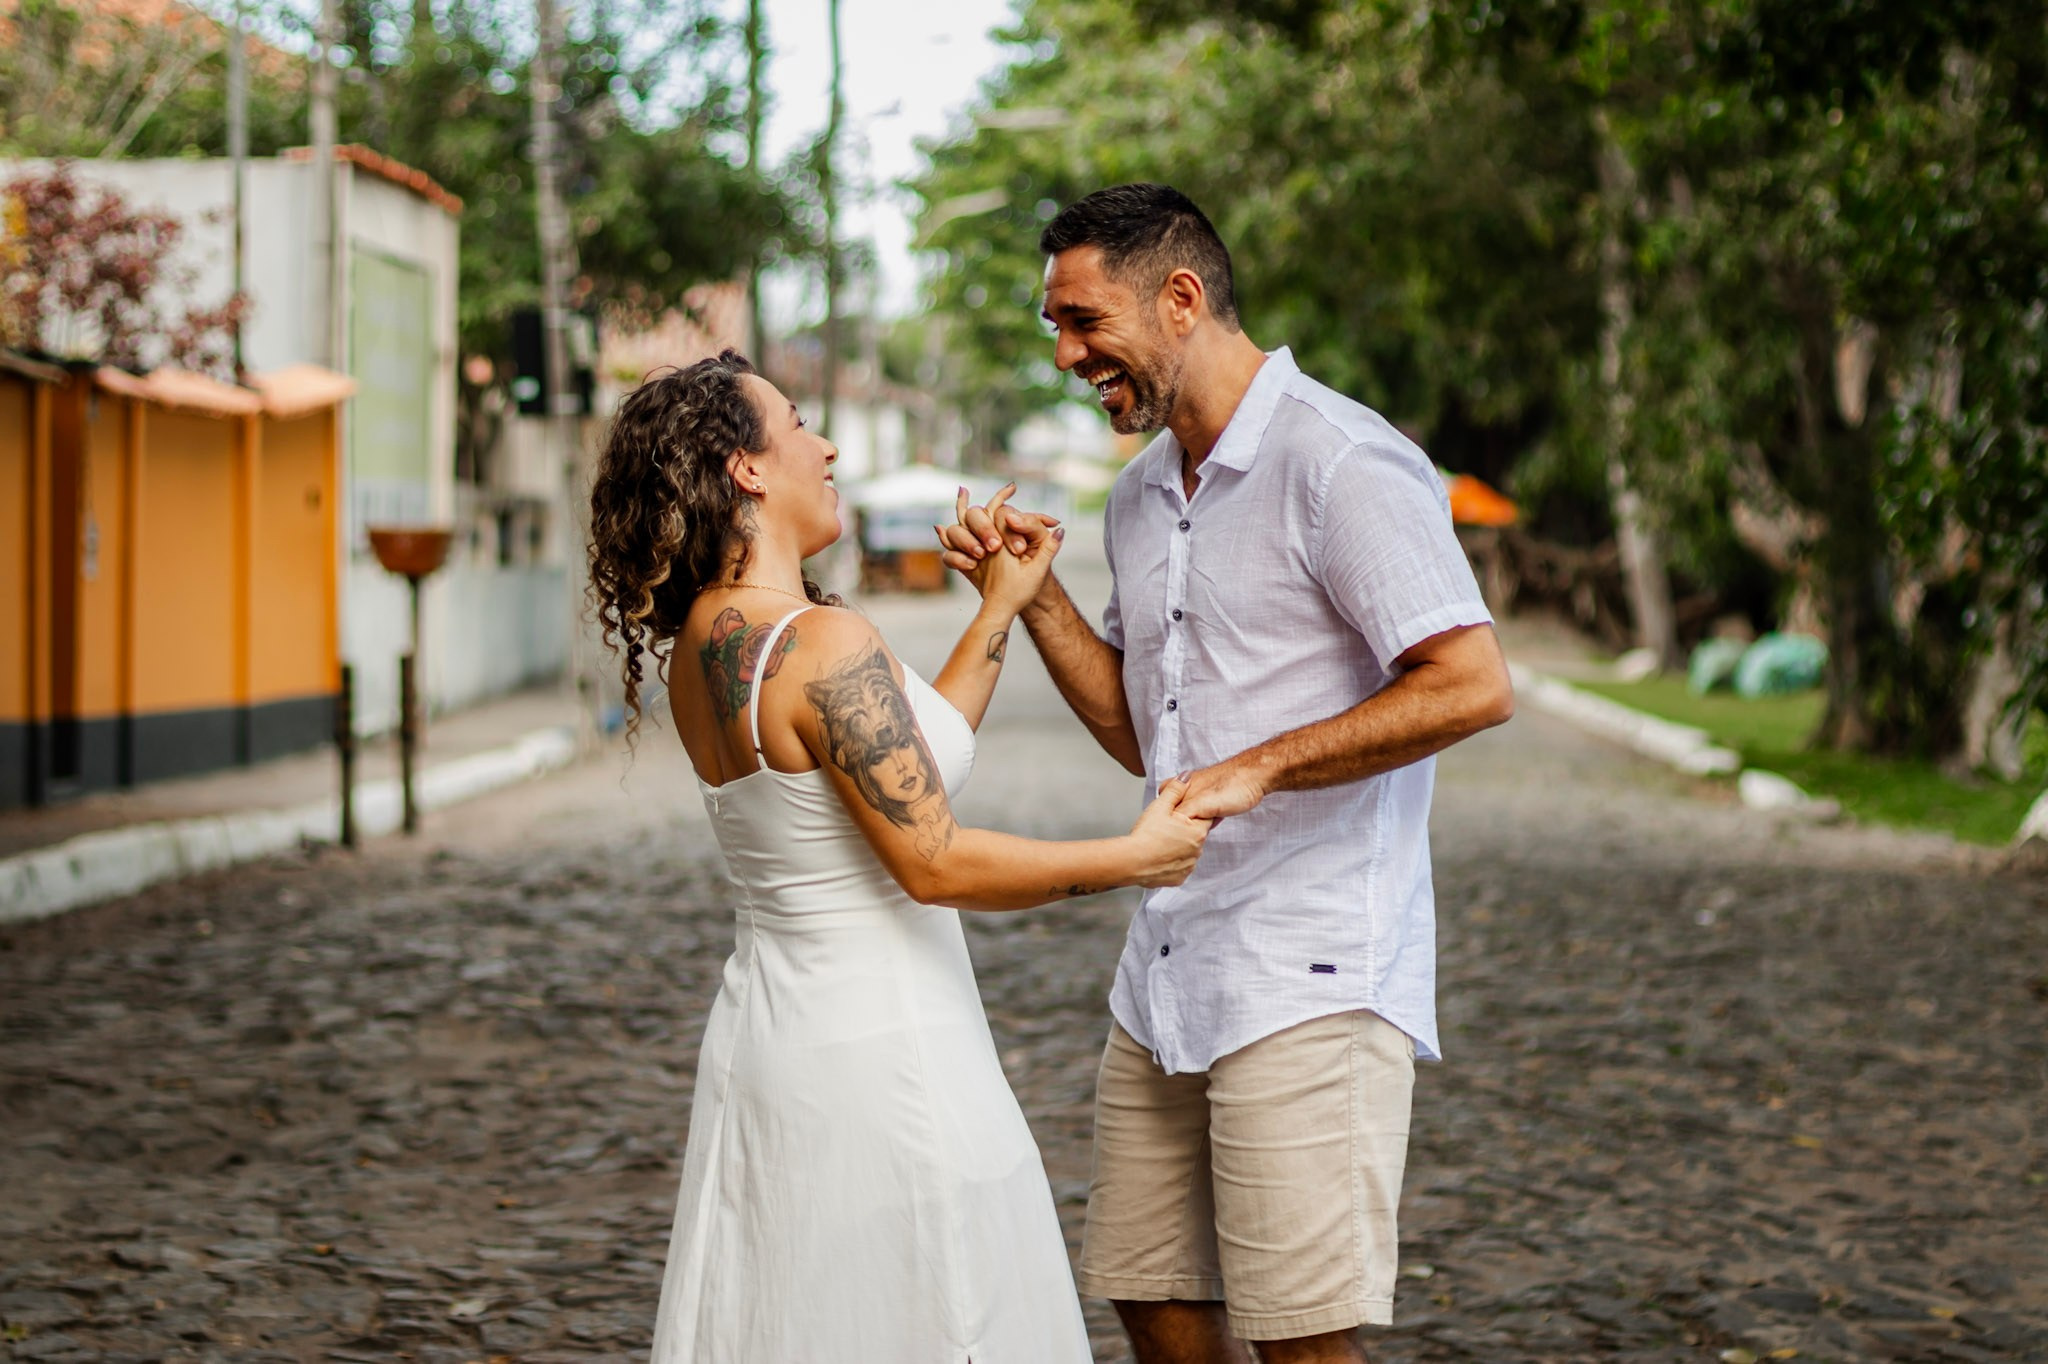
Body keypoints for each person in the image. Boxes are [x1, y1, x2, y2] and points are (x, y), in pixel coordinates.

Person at [938, 183, 1516, 1364]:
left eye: (1082, 320)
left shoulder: (1340, 458)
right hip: (1162, 971)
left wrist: (1260, 764)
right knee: (1153, 1299)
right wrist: (1033, 594)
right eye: (1053, 326)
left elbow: (1469, 680)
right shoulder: (1140, 497)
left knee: (1299, 1336)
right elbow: (1147, 738)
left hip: (1310, 967)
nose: (1064, 355)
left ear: (1182, 299)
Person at [584, 349, 1214, 1364]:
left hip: (772, 1038)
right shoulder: (819, 644)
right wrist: (1135, 854)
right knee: (936, 1310)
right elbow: (934, 860)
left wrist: (999, 606)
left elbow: (905, 760)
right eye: (796, 423)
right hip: (883, 1050)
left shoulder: (712, 638)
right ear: (745, 468)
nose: (825, 445)